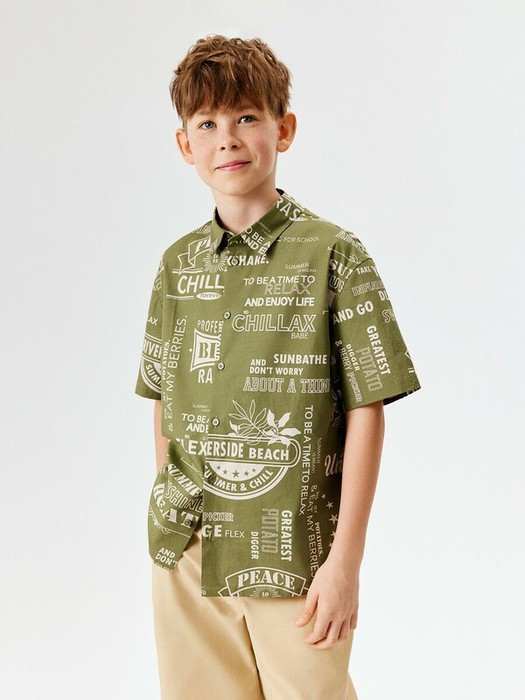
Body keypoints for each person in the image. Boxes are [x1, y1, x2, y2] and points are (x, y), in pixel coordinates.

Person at [134, 34, 421, 700]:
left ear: (282, 129)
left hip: (296, 553)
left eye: (245, 117)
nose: (227, 139)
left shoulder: (334, 254)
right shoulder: (177, 265)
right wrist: (170, 513)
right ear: (185, 145)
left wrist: (345, 562)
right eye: (207, 124)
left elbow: (368, 409)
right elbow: (163, 396)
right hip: (188, 551)